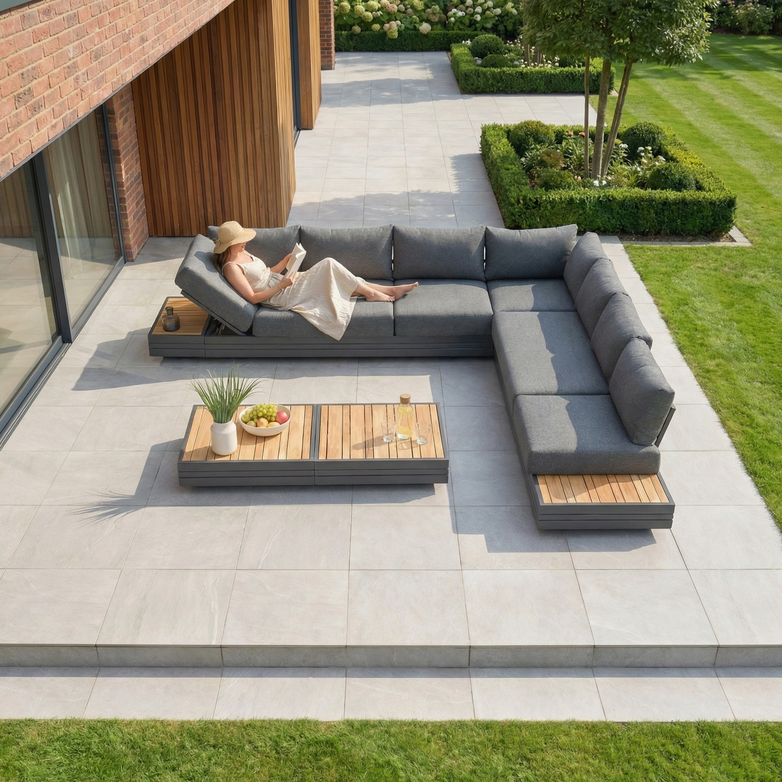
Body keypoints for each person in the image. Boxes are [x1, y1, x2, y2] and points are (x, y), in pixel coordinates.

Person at [213, 221, 417, 341]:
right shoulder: (232, 268)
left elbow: (266, 272)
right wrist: (281, 285)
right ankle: (373, 293)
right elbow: (253, 297)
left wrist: (284, 263)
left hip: (282, 282)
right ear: (231, 244)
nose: (246, 242)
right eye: (241, 240)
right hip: (280, 295)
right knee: (329, 264)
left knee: (339, 276)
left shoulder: (242, 251)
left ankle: (389, 290)